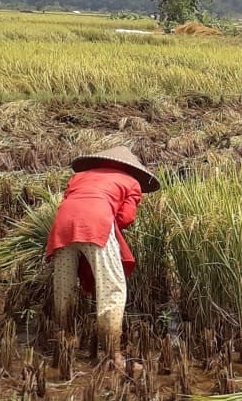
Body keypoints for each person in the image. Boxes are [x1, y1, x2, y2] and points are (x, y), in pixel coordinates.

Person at [44, 146, 160, 371]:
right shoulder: (130, 182)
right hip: (95, 225)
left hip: (62, 227)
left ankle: (64, 340)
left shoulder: (79, 177)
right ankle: (112, 355)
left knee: (63, 286)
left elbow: (68, 202)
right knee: (113, 289)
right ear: (132, 168)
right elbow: (126, 218)